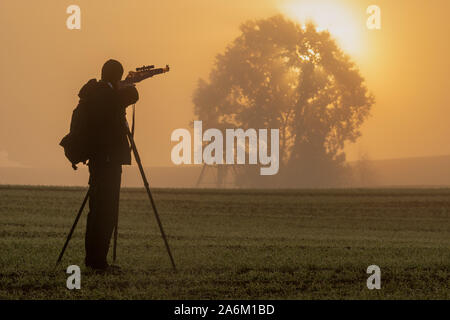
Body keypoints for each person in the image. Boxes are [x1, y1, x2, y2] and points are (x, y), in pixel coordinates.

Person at [78, 59, 139, 271]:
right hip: (108, 161)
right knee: (106, 212)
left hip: (98, 160)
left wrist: (123, 83)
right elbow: (132, 96)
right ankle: (98, 262)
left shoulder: (95, 93)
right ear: (116, 76)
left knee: (97, 211)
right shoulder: (107, 95)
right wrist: (130, 83)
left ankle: (94, 260)